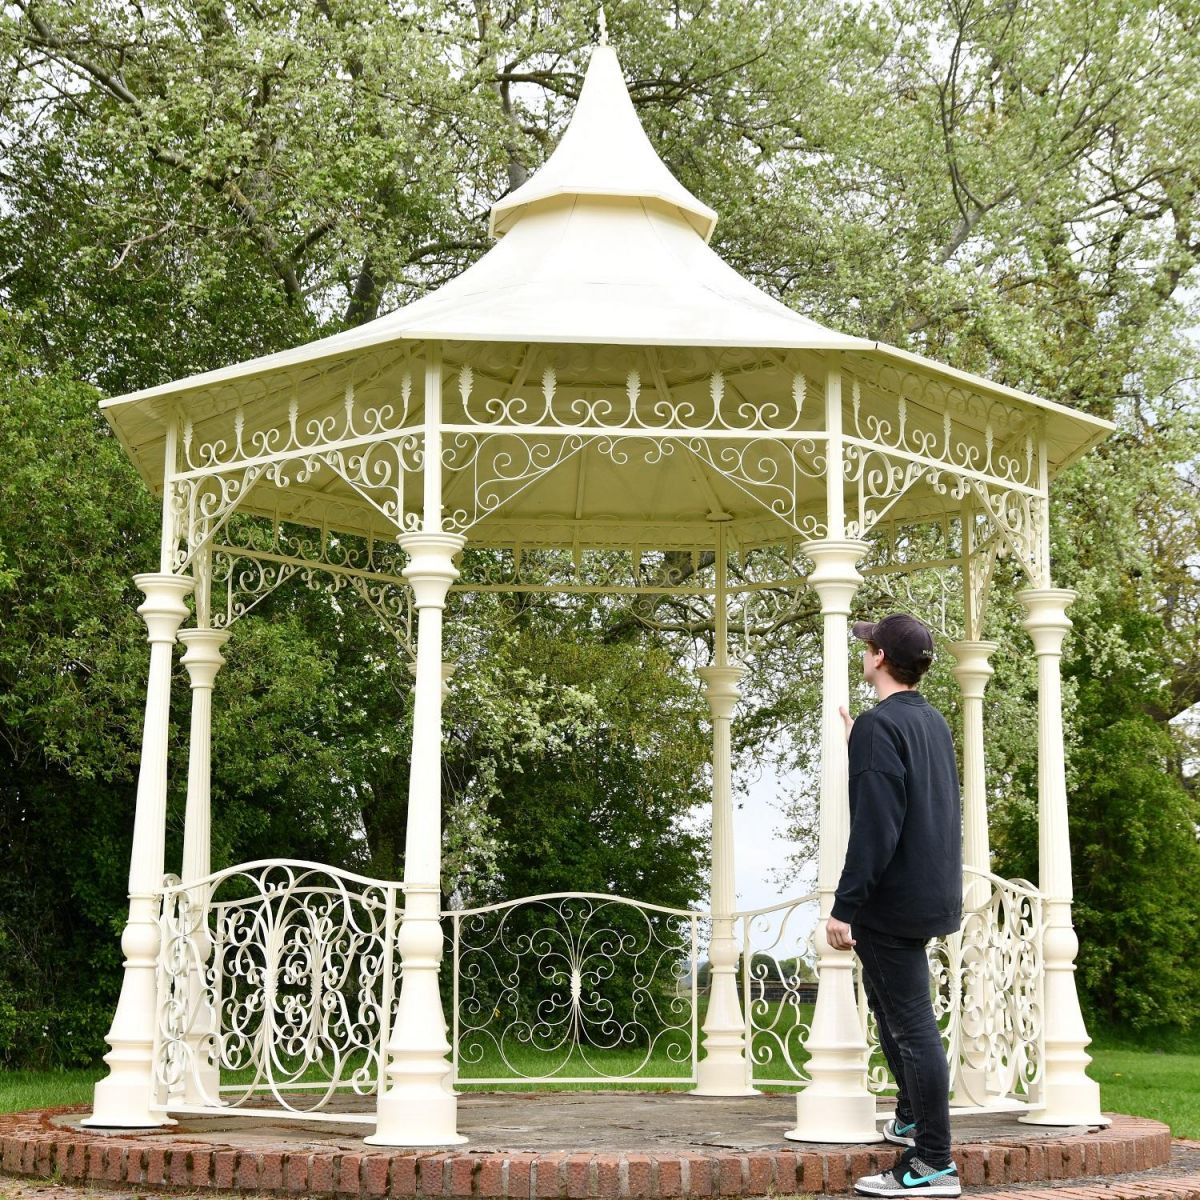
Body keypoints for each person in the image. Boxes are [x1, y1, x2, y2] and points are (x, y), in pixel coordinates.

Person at [826, 613, 963, 1197]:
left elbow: (876, 827)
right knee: (892, 1010)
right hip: (931, 892)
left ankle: (934, 1161)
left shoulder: (883, 728)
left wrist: (844, 907)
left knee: (911, 1025)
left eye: (868, 646)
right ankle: (910, 1119)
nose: (864, 653)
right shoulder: (930, 721)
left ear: (879, 658)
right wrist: (865, 736)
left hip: (893, 900)